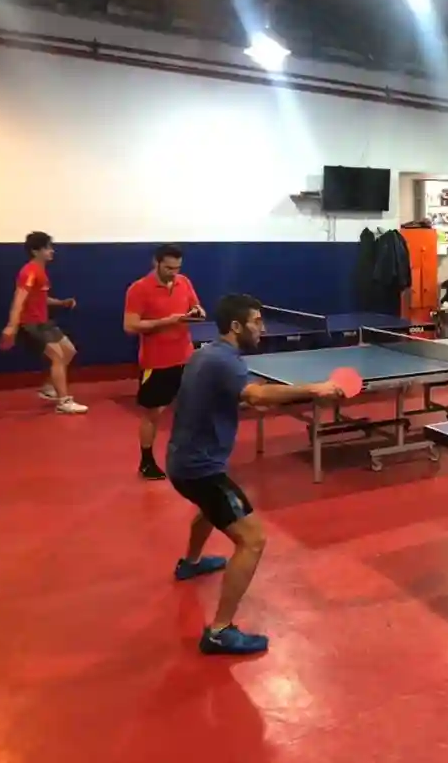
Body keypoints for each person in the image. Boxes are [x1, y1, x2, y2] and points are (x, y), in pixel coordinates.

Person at [166, 294, 342, 655]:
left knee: (210, 508)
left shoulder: (205, 354)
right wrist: (313, 389)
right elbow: (256, 394)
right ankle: (220, 631)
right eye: (257, 321)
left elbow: (242, 398)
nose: (263, 327)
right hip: (199, 468)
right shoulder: (224, 361)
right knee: (252, 540)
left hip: (184, 460)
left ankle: (191, 563)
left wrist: (275, 398)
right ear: (236, 326)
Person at [124, 244, 206, 480]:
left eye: (177, 268)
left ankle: (189, 456)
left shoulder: (184, 282)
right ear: (156, 262)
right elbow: (130, 326)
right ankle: (147, 462)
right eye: (169, 268)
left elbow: (195, 307)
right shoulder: (139, 289)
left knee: (190, 409)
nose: (173, 272)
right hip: (156, 362)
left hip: (186, 357)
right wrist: (166, 321)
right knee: (153, 414)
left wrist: (198, 312)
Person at [0, 231, 87, 414]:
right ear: (35, 251)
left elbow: (40, 298)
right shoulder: (29, 272)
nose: (51, 251)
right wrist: (12, 326)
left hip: (44, 322)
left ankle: (49, 387)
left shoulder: (40, 272)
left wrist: (62, 303)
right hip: (31, 324)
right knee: (57, 357)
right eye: (47, 248)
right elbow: (19, 299)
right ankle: (64, 402)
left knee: (69, 351)